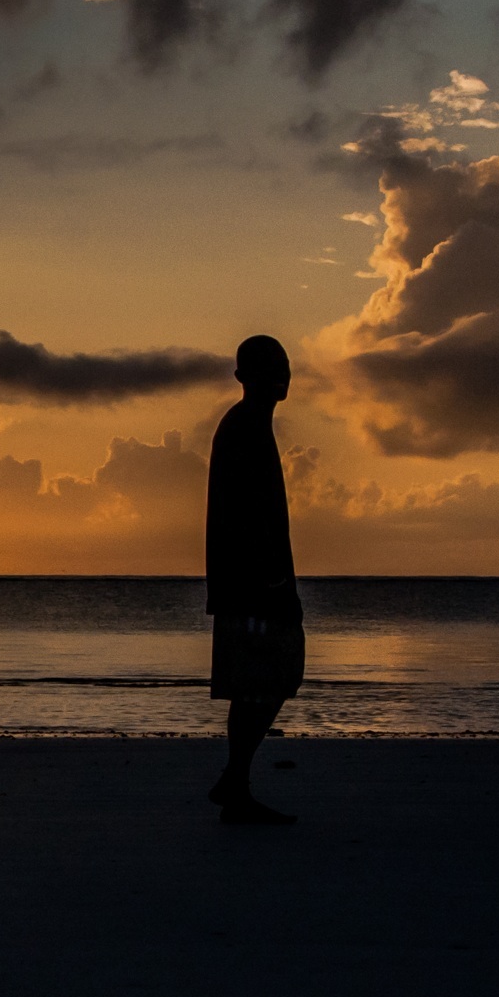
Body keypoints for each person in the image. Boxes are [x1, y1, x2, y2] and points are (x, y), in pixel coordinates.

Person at [205, 335, 303, 825]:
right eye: (270, 367)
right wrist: (271, 581)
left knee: (264, 682)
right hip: (253, 585)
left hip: (254, 582)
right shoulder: (243, 427)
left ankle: (236, 781)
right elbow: (244, 518)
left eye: (284, 366)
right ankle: (236, 780)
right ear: (244, 376)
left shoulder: (251, 426)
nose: (281, 375)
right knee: (268, 679)